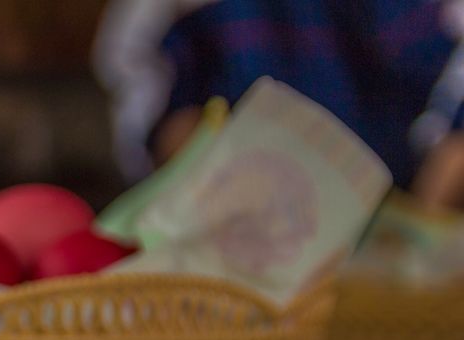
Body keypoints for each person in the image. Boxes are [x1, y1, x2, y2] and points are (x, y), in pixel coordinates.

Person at [95, 0, 464, 208]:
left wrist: (421, 231)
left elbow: (451, 134)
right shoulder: (186, 15)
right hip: (240, 237)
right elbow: (164, 116)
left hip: (389, 228)